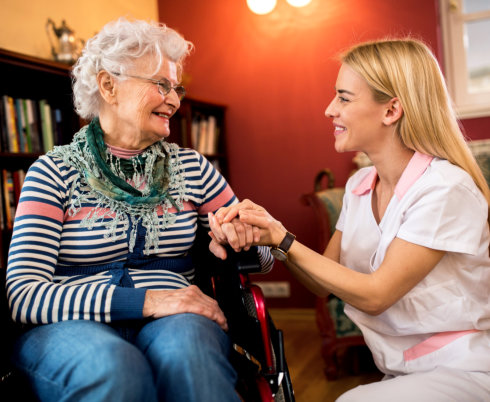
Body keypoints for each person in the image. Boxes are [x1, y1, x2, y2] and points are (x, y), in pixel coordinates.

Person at [6, 17, 273, 402]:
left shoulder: (193, 168)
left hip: (176, 321)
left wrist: (240, 240)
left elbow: (262, 258)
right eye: (161, 85)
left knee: (189, 356)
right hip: (70, 326)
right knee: (112, 368)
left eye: (177, 87)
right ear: (108, 85)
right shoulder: (53, 173)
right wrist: (150, 300)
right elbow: (25, 295)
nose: (176, 100)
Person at [209, 38, 490, 401]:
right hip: (403, 369)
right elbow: (322, 282)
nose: (329, 109)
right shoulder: (360, 184)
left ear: (391, 111)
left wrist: (282, 239)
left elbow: (376, 296)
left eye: (343, 97)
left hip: (464, 368)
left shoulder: (445, 189)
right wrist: (270, 234)